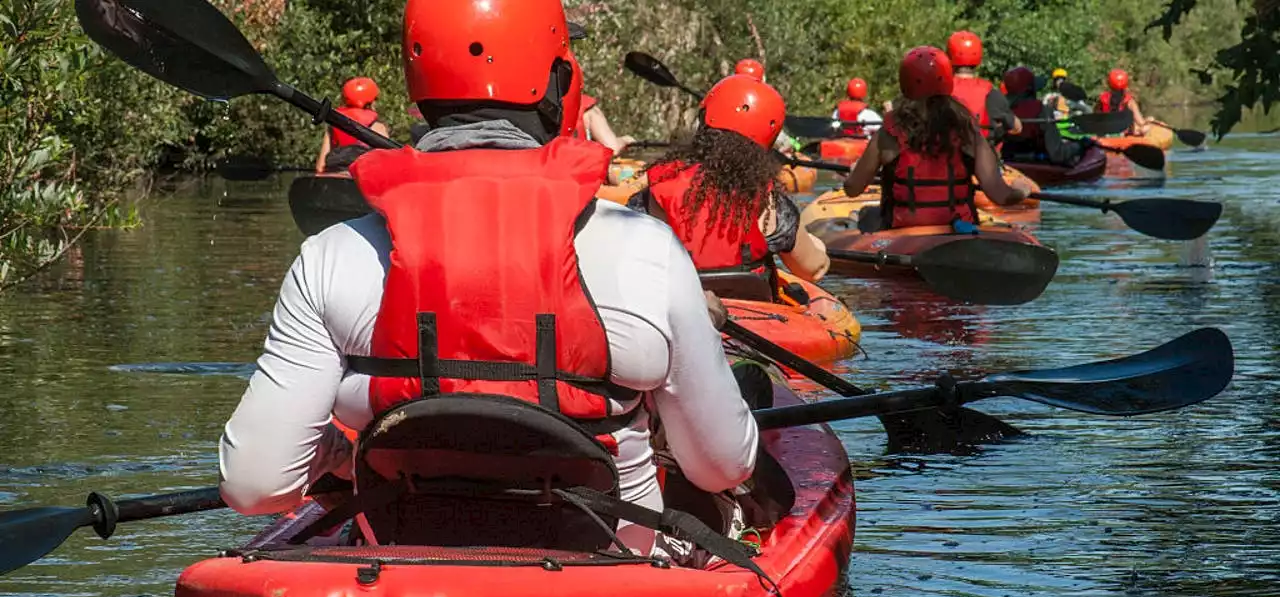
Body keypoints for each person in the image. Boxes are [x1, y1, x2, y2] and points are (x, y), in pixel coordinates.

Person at [219, 0, 759, 558]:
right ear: (558, 82)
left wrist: (336, 453)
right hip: (610, 573)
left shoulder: (333, 255)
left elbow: (255, 485)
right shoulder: (644, 250)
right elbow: (722, 465)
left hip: (398, 565)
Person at [624, 74, 831, 286]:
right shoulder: (768, 203)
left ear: (705, 122)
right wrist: (819, 249)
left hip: (673, 304)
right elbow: (813, 270)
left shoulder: (660, 185)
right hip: (750, 308)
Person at [842, 46, 1030, 231]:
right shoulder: (968, 132)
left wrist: (854, 172)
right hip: (957, 229)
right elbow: (1001, 196)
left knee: (866, 214)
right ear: (947, 81)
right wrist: (1022, 190)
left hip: (901, 231)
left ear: (904, 83)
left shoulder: (888, 133)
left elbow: (852, 189)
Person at [945, 30, 1021, 142]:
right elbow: (1017, 127)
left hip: (947, 155)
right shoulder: (990, 92)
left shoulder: (940, 90)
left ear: (949, 56)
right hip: (981, 155)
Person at [1001, 66, 1083, 166]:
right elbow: (1057, 154)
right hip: (1039, 166)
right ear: (1031, 90)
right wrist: (1079, 146)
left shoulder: (999, 109)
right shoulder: (1042, 110)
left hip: (1007, 162)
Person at [314, 77, 391, 174]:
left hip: (335, 180)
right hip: (362, 180)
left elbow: (320, 167)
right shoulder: (376, 127)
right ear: (371, 102)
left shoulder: (334, 125)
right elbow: (387, 163)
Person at [1096, 68, 1148, 135]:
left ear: (1109, 84)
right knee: (1145, 129)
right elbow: (1140, 122)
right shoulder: (1130, 102)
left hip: (1106, 131)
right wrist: (1148, 121)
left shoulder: (1102, 99)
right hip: (1123, 134)